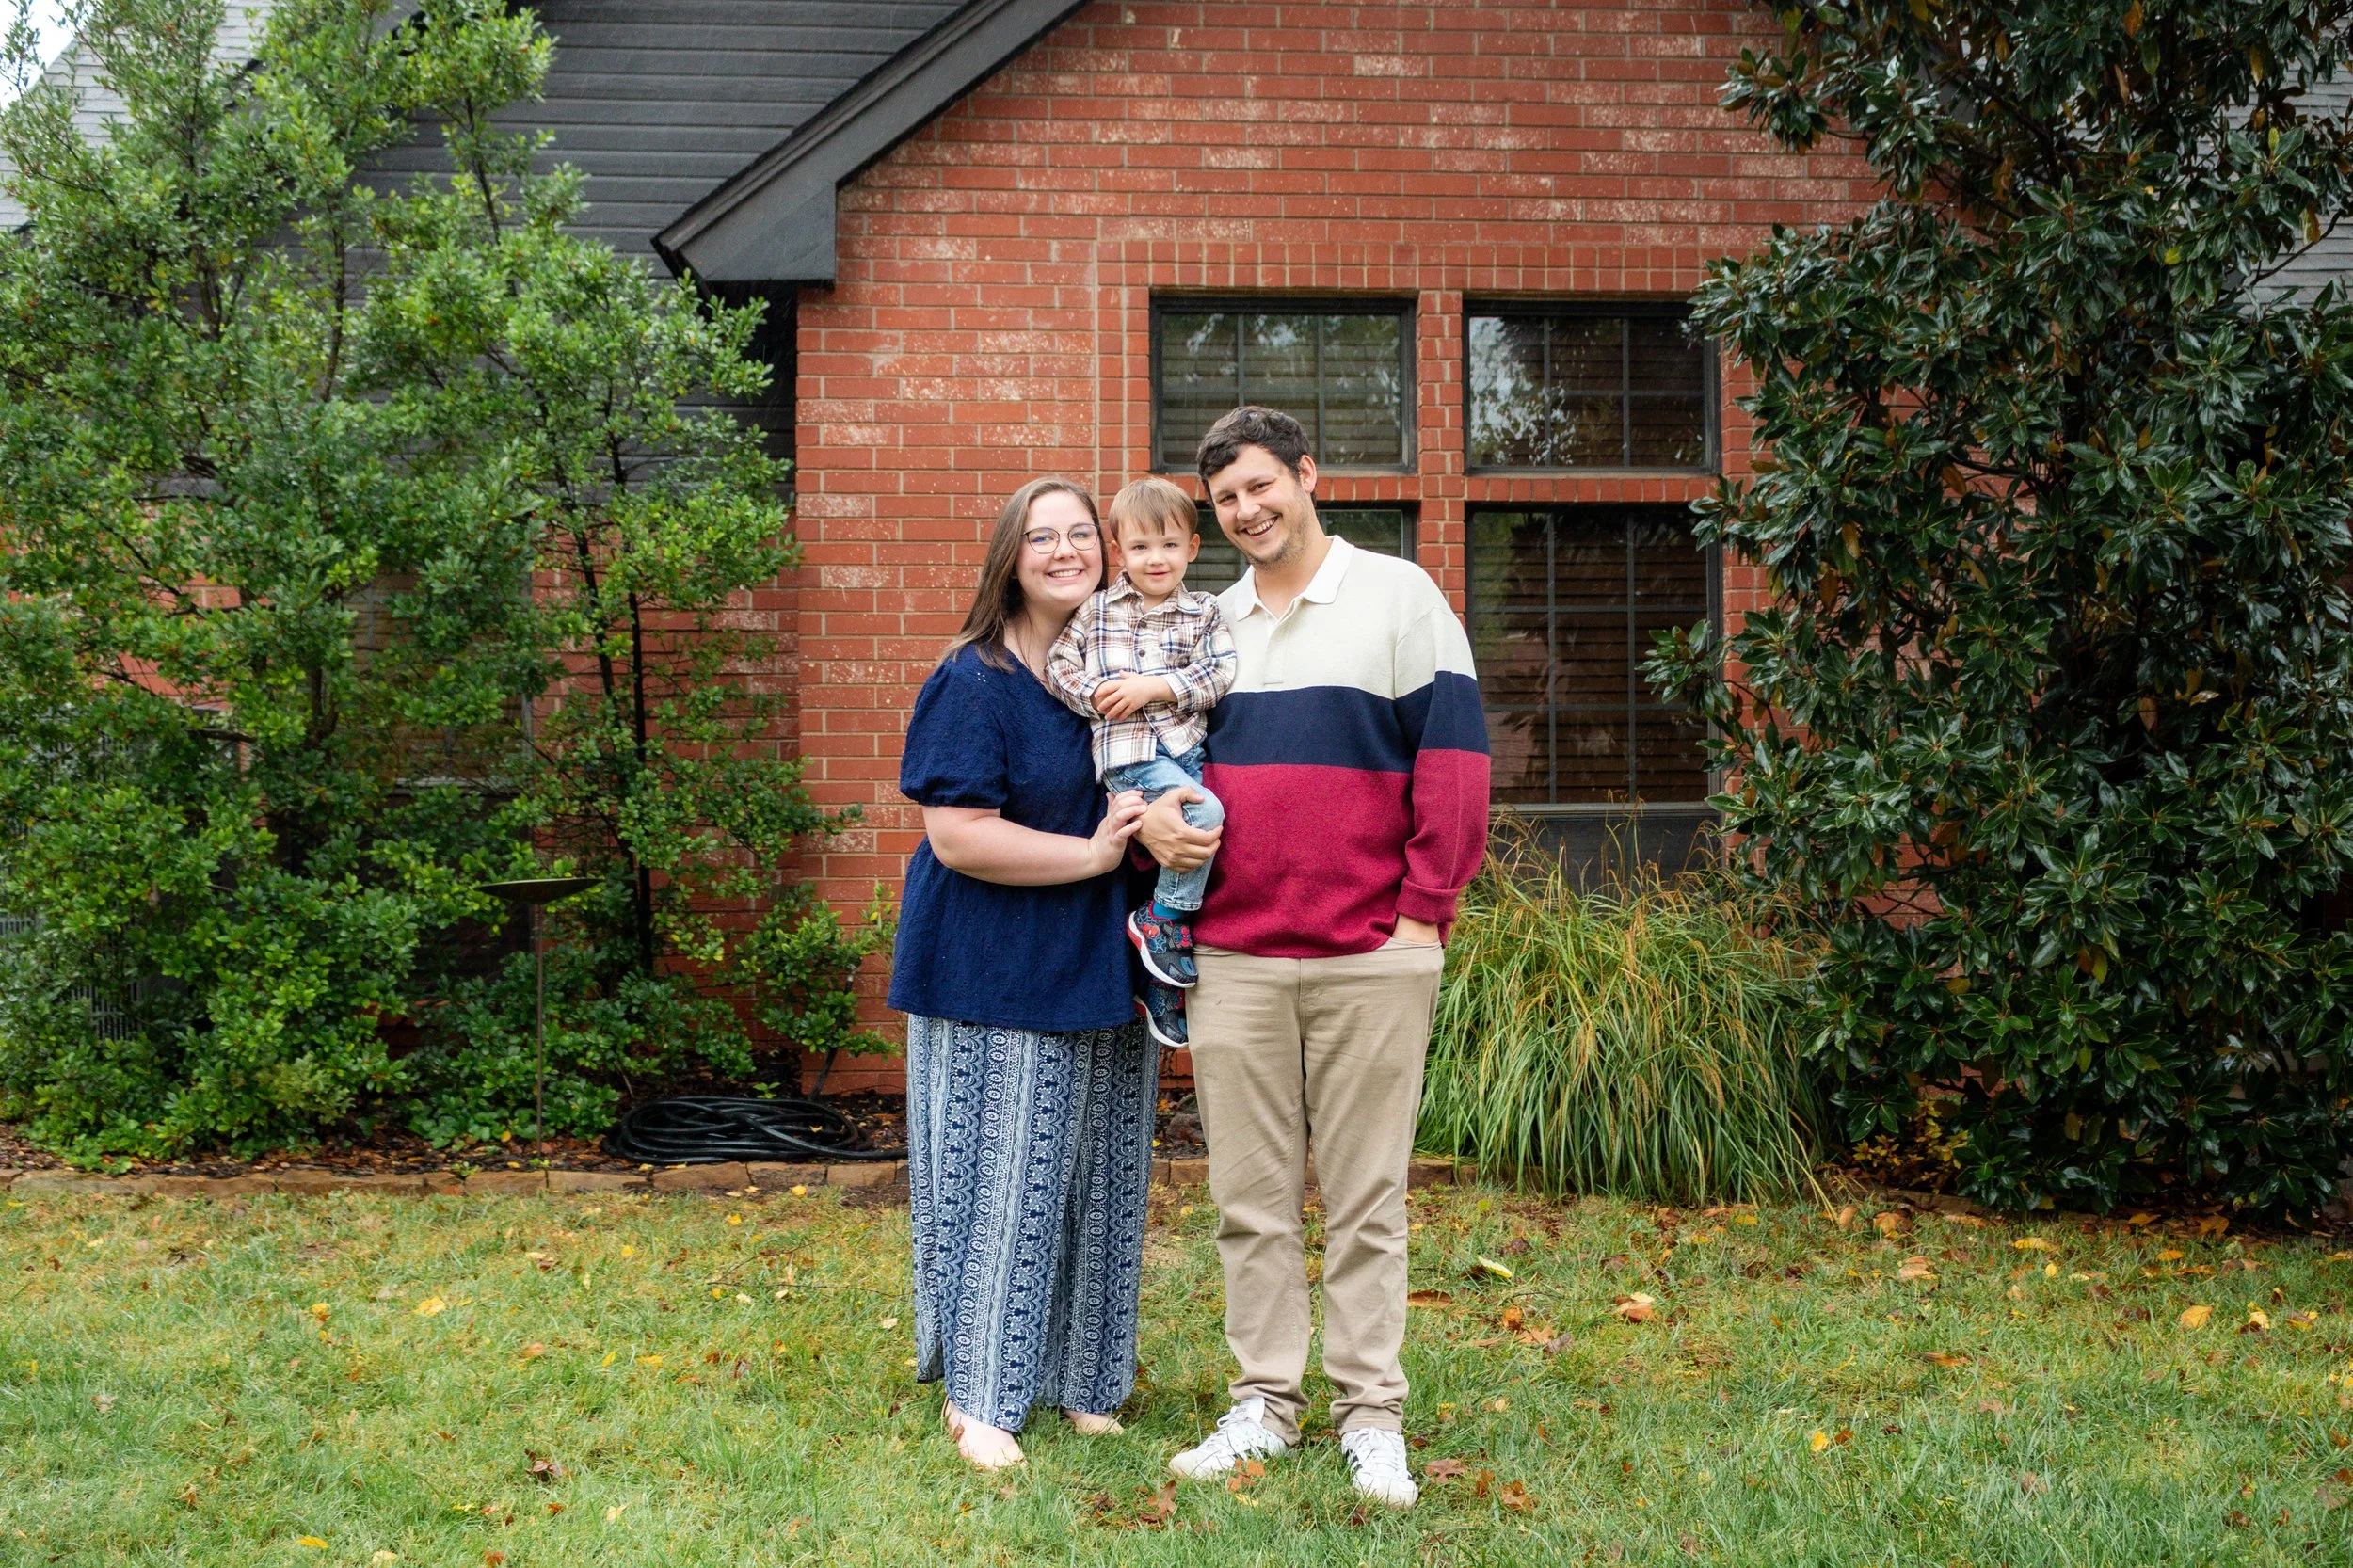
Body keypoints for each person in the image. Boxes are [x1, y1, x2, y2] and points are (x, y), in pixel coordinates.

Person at [1139, 407, 1491, 1509]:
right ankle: (1263, 1404)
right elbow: (1153, 761)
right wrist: (1152, 827)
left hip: (1373, 952)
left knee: (1365, 1196)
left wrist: (1424, 913)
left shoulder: (1399, 596)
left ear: (1305, 475)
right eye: (1226, 500)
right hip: (1235, 953)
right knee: (1247, 1196)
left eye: (1260, 487)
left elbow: (1454, 762)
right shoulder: (1204, 624)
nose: (1245, 512)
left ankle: (1370, 1413)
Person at [888, 477, 1159, 1472]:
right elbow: (957, 837)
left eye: (1079, 533)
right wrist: (1091, 855)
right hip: (992, 962)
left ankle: (1087, 1382)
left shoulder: (1116, 673)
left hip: (1099, 957)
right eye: (1039, 536)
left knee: (1102, 1178)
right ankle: (982, 1395)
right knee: (1006, 1177)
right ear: (1009, 556)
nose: (1062, 551)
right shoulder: (975, 678)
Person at [1044, 475, 1239, 1048]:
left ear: (1193, 548)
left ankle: (1158, 979)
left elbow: (1220, 673)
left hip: (1181, 749)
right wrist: (1092, 696)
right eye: (1141, 547)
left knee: (1201, 855)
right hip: (1128, 757)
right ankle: (1160, 922)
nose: (1157, 559)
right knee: (1203, 817)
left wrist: (1157, 686)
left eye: (1170, 545)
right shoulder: (1096, 611)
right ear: (1119, 552)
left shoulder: (1203, 613)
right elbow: (1059, 663)